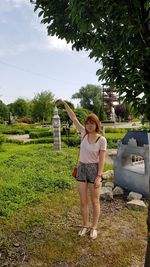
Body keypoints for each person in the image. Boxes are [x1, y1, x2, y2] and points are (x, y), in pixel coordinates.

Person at [56, 99, 107, 240]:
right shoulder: (83, 133)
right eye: (88, 123)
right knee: (83, 201)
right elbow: (73, 117)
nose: (89, 125)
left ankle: (94, 227)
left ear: (97, 124)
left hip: (94, 170)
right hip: (82, 169)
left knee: (95, 201)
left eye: (92, 123)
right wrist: (64, 103)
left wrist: (99, 176)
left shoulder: (101, 139)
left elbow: (102, 159)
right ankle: (85, 225)